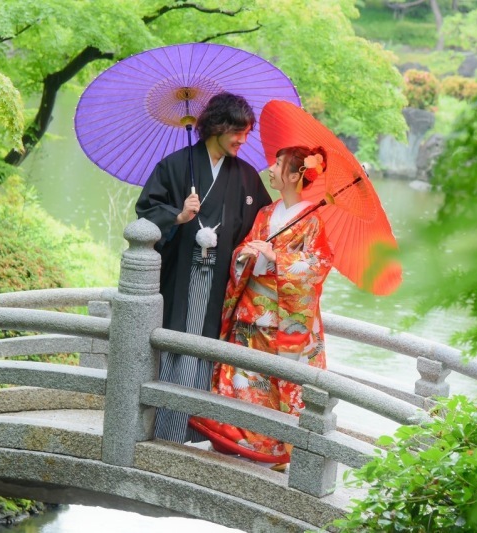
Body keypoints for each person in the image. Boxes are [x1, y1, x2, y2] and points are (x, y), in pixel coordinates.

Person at [135, 92, 272, 443]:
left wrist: (255, 247)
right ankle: (164, 431)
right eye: (237, 132)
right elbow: (147, 211)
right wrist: (179, 216)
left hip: (221, 284)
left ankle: (198, 433)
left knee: (209, 352)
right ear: (217, 127)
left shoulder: (245, 177)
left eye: (247, 133)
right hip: (180, 276)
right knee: (176, 346)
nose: (242, 140)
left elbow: (262, 223)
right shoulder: (175, 165)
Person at [190, 145, 334, 467]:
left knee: (272, 380)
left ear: (296, 175)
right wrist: (247, 254)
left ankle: (271, 449)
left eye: (279, 164)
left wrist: (276, 257)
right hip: (250, 311)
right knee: (242, 376)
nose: (271, 168)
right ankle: (233, 439)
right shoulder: (266, 213)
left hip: (283, 318)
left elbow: (319, 265)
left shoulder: (313, 220)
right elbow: (244, 248)